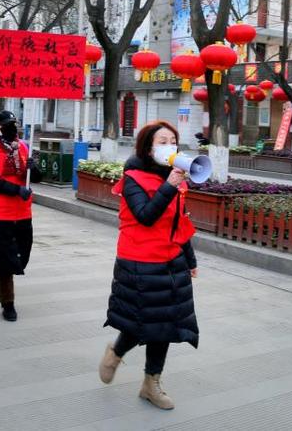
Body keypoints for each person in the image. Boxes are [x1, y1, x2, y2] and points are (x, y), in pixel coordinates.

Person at [98, 120, 199, 411]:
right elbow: (145, 216)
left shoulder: (175, 177)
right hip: (139, 261)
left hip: (171, 261)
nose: (169, 145)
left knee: (165, 326)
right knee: (140, 322)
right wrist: (169, 186)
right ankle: (115, 353)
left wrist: (189, 259)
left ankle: (151, 383)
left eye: (173, 140)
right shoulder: (133, 177)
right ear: (148, 146)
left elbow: (178, 221)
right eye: (162, 140)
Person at [0, 110, 41, 322]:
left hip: (22, 214)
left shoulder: (23, 147)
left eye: (14, 124)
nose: (12, 128)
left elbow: (35, 178)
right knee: (4, 261)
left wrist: (34, 168)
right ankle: (8, 303)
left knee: (22, 258)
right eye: (6, 125)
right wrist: (16, 190)